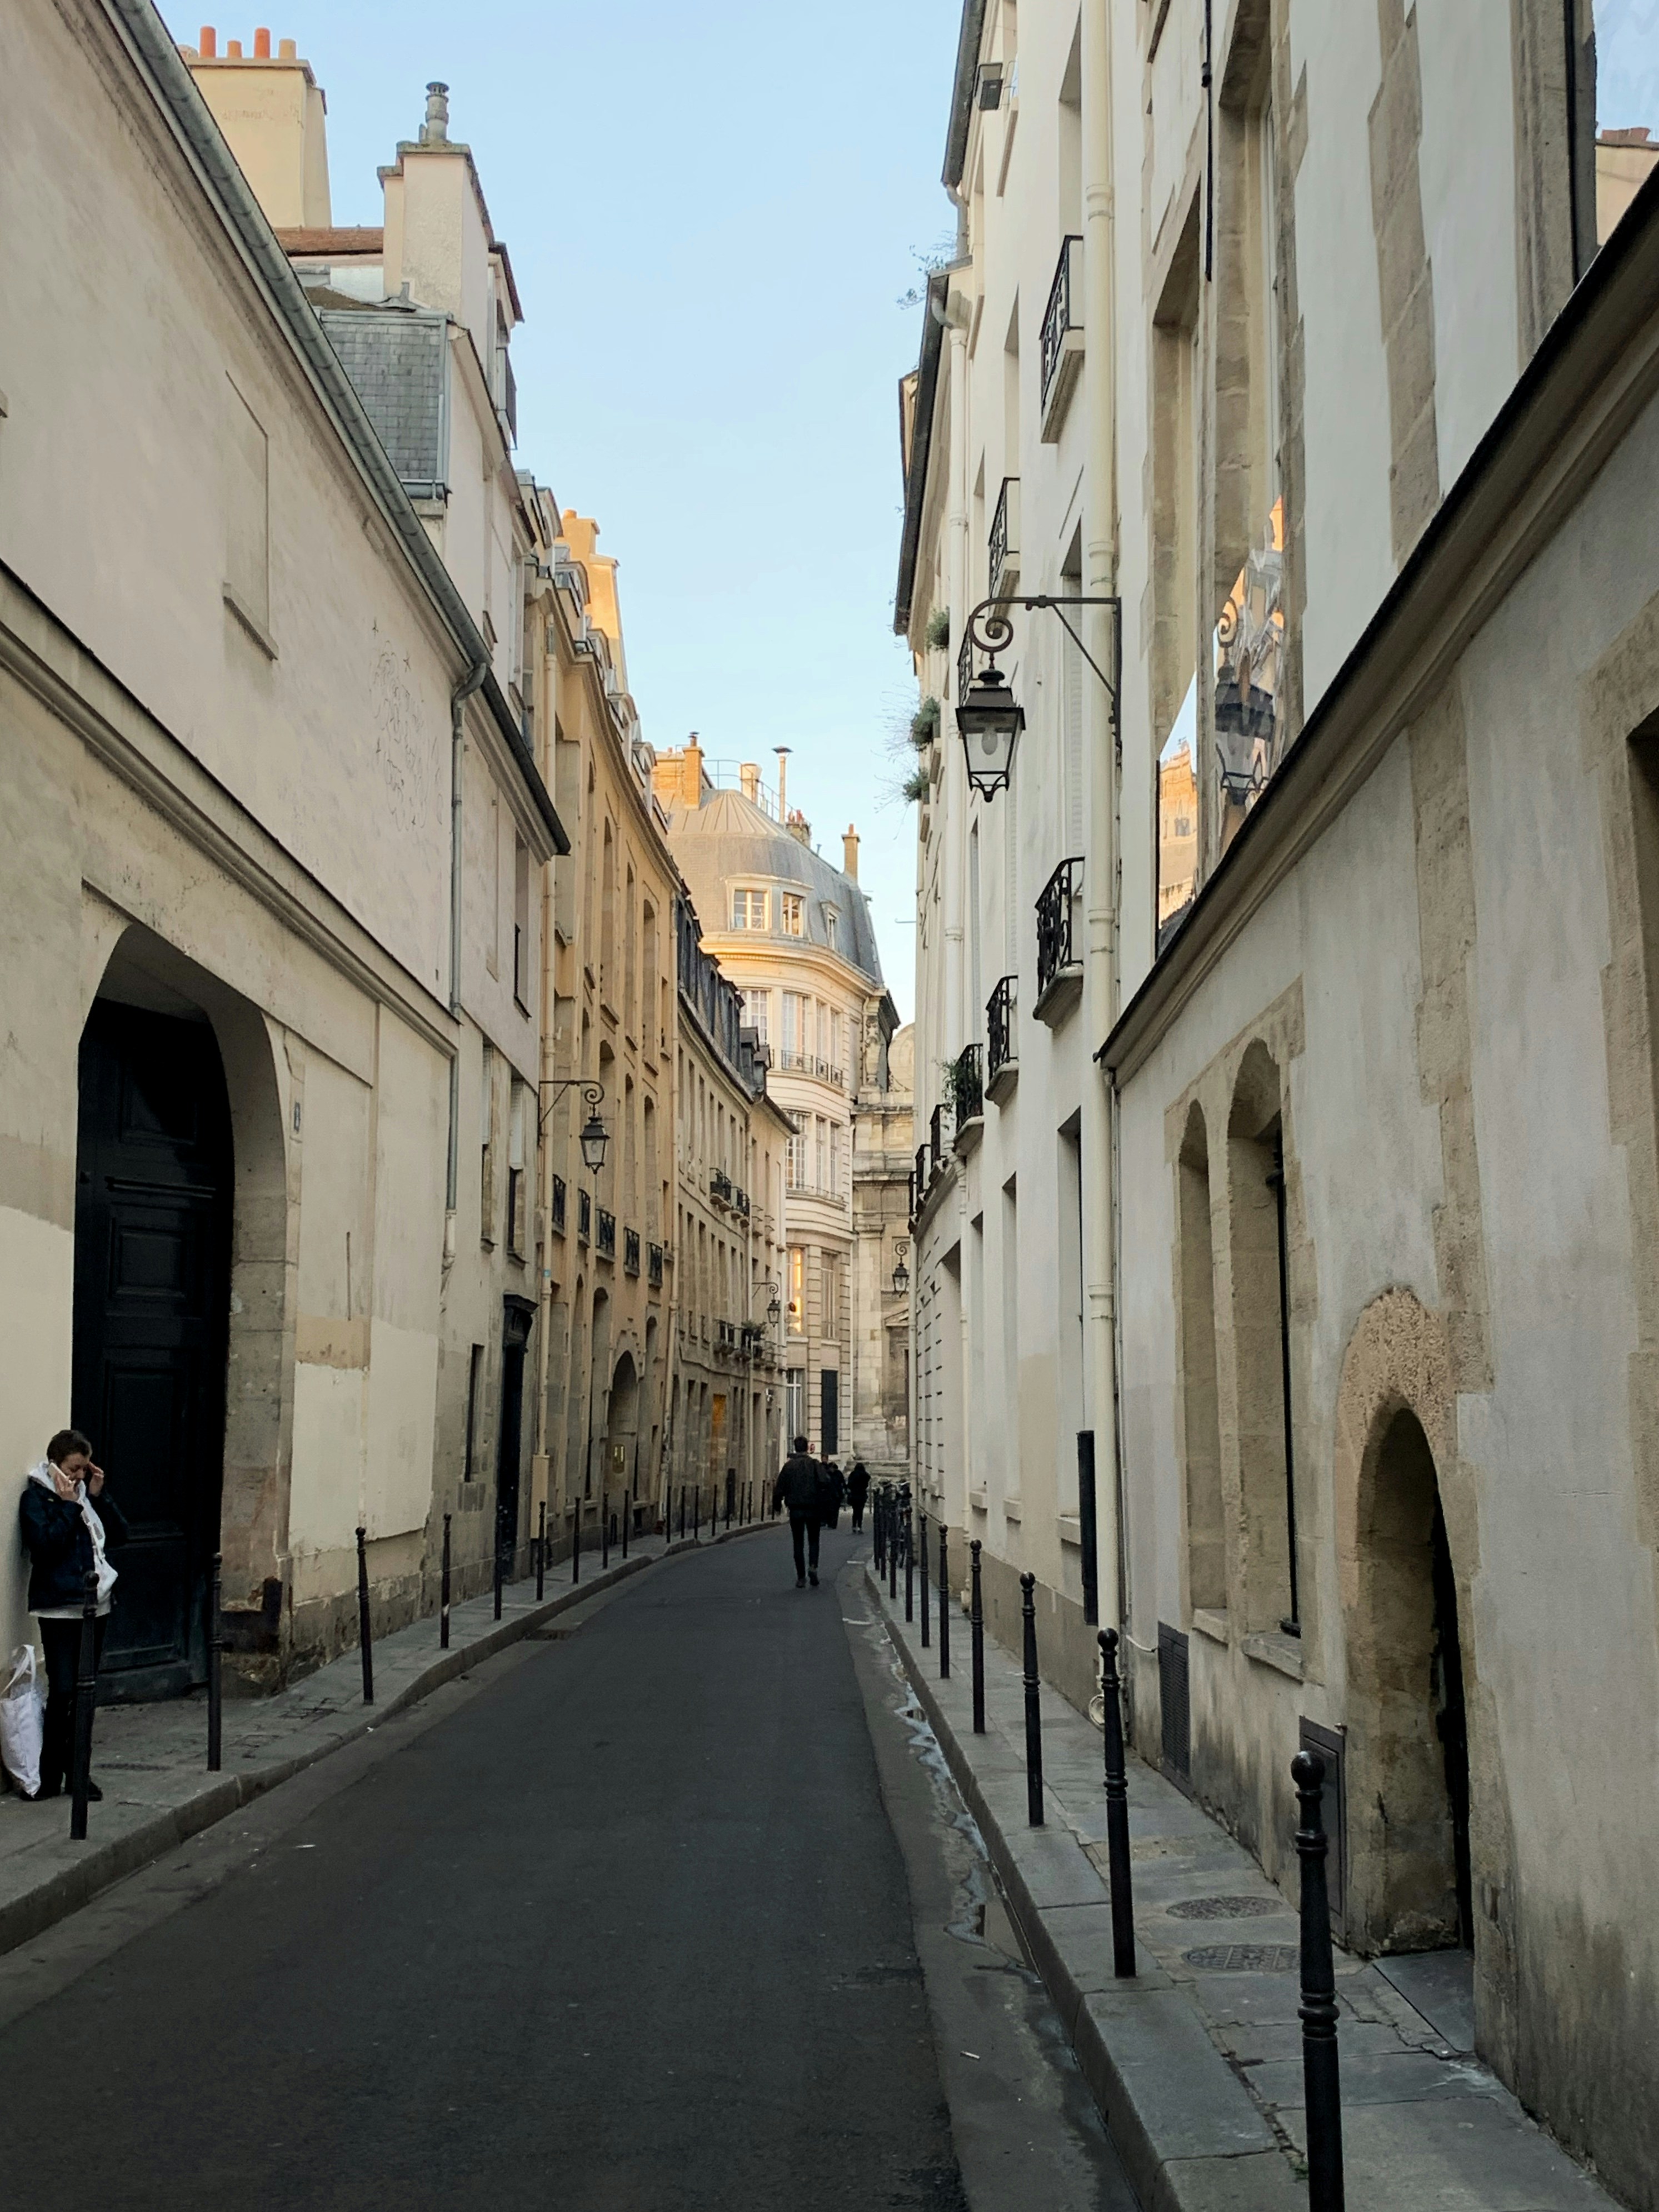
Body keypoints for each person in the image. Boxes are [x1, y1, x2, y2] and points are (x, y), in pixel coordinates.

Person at [18, 1428, 128, 1802]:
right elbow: (45, 1546)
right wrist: (68, 1506)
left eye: (84, 1468)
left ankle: (79, 1774)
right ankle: (51, 1774)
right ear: (55, 1465)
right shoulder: (35, 1499)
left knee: (86, 1693)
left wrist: (98, 1496)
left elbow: (120, 1535)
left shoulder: (86, 1496)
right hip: (58, 1607)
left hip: (96, 1606)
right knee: (64, 1690)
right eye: (74, 1468)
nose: (79, 1476)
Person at [772, 1435, 824, 1589]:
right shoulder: (815, 1465)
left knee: (798, 1543)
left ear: (795, 1448)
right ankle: (813, 1567)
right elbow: (824, 1482)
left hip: (795, 1509)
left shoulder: (789, 1467)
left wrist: (777, 1506)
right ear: (807, 1447)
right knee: (814, 1540)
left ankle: (801, 1577)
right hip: (813, 1508)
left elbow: (779, 1488)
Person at [846, 1461, 870, 1533]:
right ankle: (859, 1526)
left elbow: (849, 1484)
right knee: (860, 1512)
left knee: (855, 1511)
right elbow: (868, 1480)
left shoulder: (853, 1474)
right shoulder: (865, 1475)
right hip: (862, 1495)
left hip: (854, 1495)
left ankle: (854, 1526)